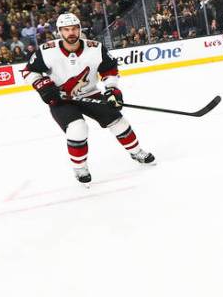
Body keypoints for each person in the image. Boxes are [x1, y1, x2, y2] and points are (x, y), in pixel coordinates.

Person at [21, 12, 155, 186]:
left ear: (80, 29)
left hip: (90, 93)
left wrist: (112, 89)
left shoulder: (96, 48)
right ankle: (80, 168)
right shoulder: (47, 51)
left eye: (74, 29)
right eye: (66, 29)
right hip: (61, 99)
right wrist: (42, 85)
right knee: (78, 128)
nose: (71, 33)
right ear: (59, 32)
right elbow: (29, 71)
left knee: (118, 121)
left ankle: (136, 152)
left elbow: (109, 69)